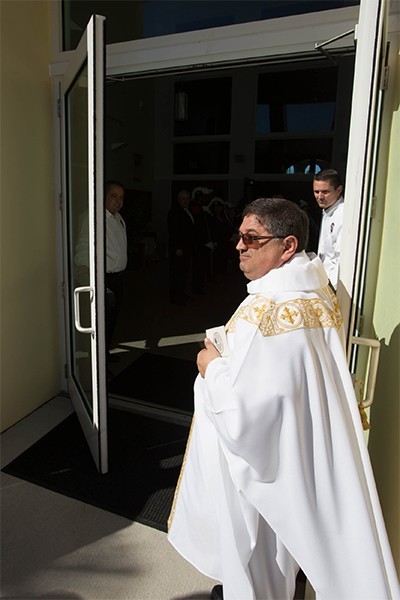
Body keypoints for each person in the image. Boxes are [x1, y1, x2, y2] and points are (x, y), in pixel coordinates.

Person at [168, 198, 399, 600]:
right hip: (297, 442)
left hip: (264, 461)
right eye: (239, 236)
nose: (239, 246)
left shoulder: (271, 310)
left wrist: (211, 365)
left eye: (252, 238)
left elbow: (243, 416)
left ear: (288, 246)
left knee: (257, 552)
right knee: (281, 546)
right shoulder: (314, 290)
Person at [74, 180, 127, 363]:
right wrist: (85, 274)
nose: (118, 201)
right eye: (113, 196)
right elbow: (83, 245)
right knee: (100, 324)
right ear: (103, 196)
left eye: (121, 197)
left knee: (111, 323)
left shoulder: (118, 218)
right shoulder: (93, 217)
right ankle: (96, 364)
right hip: (103, 279)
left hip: (117, 278)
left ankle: (104, 355)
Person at [313, 168, 344, 289]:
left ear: (339, 190)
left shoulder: (342, 213)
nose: (320, 196)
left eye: (325, 192)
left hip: (334, 286)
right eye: (316, 191)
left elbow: (341, 257)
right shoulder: (327, 211)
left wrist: (332, 288)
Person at [167, 189, 195, 305]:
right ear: (178, 199)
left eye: (188, 199)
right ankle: (176, 298)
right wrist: (178, 248)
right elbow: (174, 232)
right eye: (183, 199)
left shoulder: (187, 211)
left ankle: (181, 294)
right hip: (180, 249)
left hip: (186, 248)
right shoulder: (174, 212)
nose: (186, 201)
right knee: (177, 274)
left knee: (183, 273)